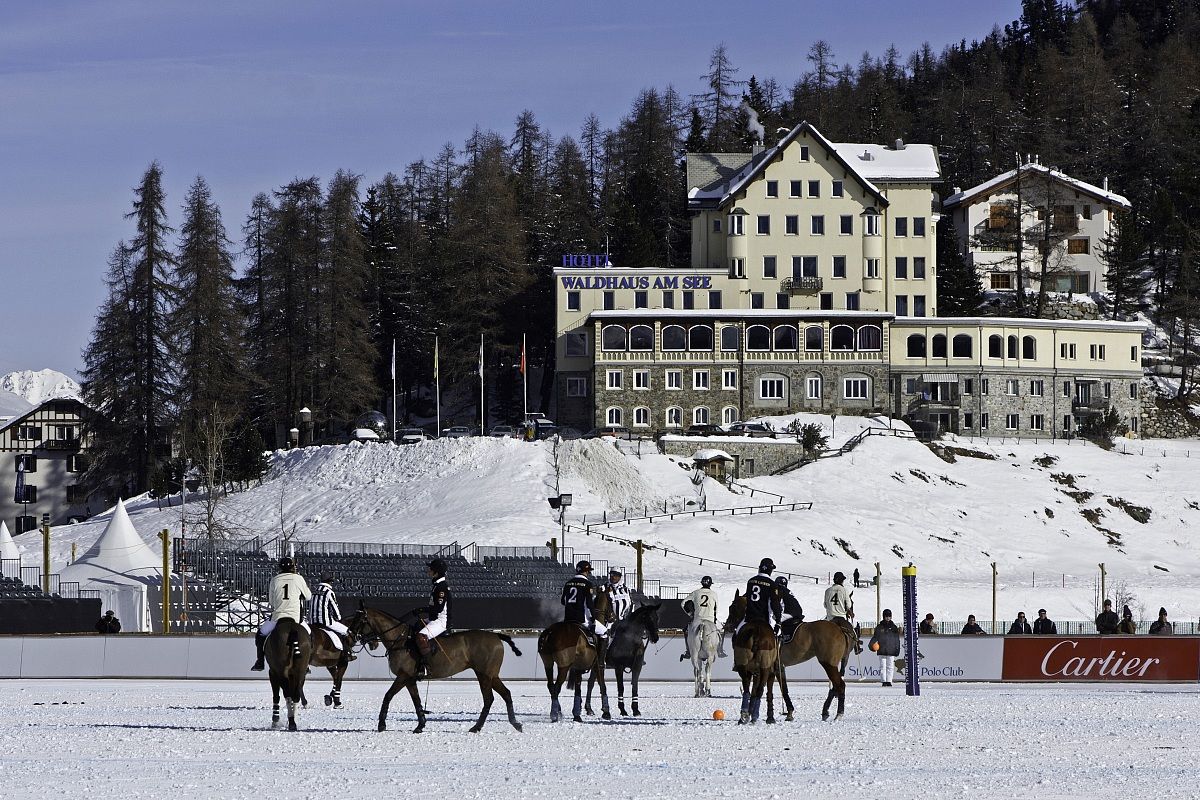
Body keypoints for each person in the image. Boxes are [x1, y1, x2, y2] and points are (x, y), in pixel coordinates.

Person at [251, 556, 311, 671]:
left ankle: (260, 662)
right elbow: (308, 596)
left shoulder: (275, 579)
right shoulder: (298, 578)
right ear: (293, 567)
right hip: (295, 617)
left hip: (278, 617)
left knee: (260, 635)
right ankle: (306, 663)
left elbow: (272, 602)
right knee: (309, 635)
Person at [413, 558, 452, 679]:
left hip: (440, 621)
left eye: (430, 569)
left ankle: (427, 666)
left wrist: (422, 610)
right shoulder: (437, 585)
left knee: (421, 637)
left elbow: (439, 609)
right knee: (414, 628)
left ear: (436, 572)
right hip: (433, 618)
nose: (428, 570)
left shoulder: (441, 587)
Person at [309, 575, 355, 666]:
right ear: (330, 582)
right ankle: (347, 654)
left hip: (312, 622)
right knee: (347, 632)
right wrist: (338, 618)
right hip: (325, 622)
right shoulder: (329, 592)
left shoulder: (314, 591)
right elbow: (335, 608)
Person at [680, 575, 726, 661]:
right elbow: (716, 608)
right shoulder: (714, 594)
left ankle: (688, 651)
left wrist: (690, 614)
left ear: (702, 583)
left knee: (686, 631)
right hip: (710, 619)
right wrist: (714, 618)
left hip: (697, 619)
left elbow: (683, 603)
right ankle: (720, 650)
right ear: (710, 584)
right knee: (721, 630)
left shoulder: (695, 592)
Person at [739, 558, 782, 634]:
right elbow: (775, 603)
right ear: (770, 570)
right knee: (776, 636)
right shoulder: (772, 584)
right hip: (764, 619)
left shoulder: (750, 581)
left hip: (749, 618)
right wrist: (778, 621)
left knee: (737, 633)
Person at [562, 560, 602, 633]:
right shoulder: (587, 584)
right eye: (588, 571)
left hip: (568, 618)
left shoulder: (568, 583)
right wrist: (593, 620)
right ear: (586, 572)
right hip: (582, 619)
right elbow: (589, 604)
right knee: (604, 632)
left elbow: (563, 601)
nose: (588, 573)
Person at [823, 571, 859, 652]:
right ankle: (857, 647)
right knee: (855, 627)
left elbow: (825, 605)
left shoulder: (827, 591)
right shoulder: (844, 590)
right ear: (841, 581)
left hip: (830, 618)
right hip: (842, 617)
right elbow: (849, 605)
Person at [868, 609, 901, 686]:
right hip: (882, 649)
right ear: (884, 616)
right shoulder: (879, 627)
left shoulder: (894, 627)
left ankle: (889, 681)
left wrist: (897, 649)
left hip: (891, 649)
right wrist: (871, 645)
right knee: (882, 666)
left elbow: (897, 639)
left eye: (889, 616)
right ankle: (883, 681)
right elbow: (875, 637)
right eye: (886, 616)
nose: (888, 618)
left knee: (890, 666)